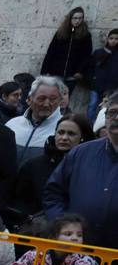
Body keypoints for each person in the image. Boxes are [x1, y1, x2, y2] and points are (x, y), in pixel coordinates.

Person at [43, 99, 118, 248]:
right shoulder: (81, 152)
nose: (116, 118)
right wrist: (64, 227)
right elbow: (53, 193)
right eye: (112, 113)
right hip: (76, 251)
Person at [13, 112, 91, 220]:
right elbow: (20, 201)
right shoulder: (33, 166)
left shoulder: (91, 167)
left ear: (83, 137)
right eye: (60, 132)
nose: (64, 138)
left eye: (71, 134)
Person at [41, 7, 93, 109]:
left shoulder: (85, 36)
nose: (77, 21)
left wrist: (80, 71)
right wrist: (45, 71)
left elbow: (87, 56)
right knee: (52, 97)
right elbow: (51, 52)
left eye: (80, 18)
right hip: (56, 72)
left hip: (72, 74)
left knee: (64, 99)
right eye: (75, 18)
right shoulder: (61, 33)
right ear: (70, 18)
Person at [7, 76, 67, 160]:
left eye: (52, 99)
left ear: (60, 101)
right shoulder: (12, 125)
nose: (46, 104)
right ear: (29, 99)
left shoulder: (65, 129)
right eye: (41, 99)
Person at [90, 27, 118, 121]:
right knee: (92, 105)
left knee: (105, 109)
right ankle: (89, 127)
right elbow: (91, 67)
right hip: (96, 85)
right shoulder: (99, 52)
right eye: (111, 38)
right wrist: (91, 79)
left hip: (112, 88)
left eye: (116, 39)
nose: (113, 41)